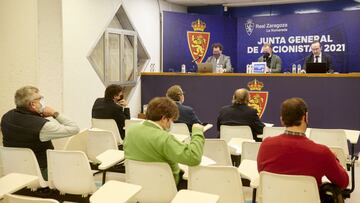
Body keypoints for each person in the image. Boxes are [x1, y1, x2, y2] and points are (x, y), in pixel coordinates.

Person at [257, 97, 348, 189]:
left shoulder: (266, 145)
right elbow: (343, 182)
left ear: (282, 120)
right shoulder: (322, 152)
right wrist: (334, 158)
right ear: (305, 117)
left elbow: (261, 173)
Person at [124, 97, 205, 189]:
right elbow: (194, 158)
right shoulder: (165, 138)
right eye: (171, 120)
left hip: (138, 186)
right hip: (166, 187)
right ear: (164, 119)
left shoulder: (131, 131)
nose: (172, 123)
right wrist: (197, 133)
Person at [1, 86, 80, 179]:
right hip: (41, 172)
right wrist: (55, 113)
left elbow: (23, 129)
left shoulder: (6, 116)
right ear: (33, 104)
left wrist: (38, 118)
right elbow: (74, 128)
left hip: (15, 170)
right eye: (40, 98)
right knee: (76, 166)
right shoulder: (43, 126)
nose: (42, 101)